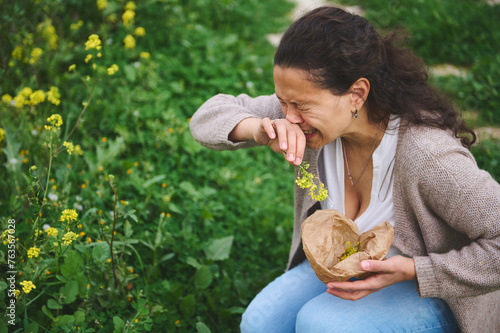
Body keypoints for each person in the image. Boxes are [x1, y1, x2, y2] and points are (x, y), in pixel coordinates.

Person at [189, 5, 500, 333]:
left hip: (430, 290)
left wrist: (416, 270)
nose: (290, 117)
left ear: (357, 94)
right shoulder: (305, 118)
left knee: (322, 325)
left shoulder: (428, 156)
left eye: (302, 106)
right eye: (283, 102)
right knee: (259, 323)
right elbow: (205, 117)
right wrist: (257, 129)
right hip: (342, 267)